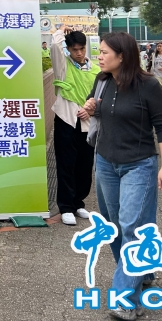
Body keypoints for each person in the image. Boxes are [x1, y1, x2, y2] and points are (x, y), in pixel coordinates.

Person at [82, 32, 162, 321]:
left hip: (139, 165)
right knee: (113, 226)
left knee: (132, 226)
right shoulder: (102, 80)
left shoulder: (148, 85)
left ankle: (126, 300)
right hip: (105, 162)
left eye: (104, 52)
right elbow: (95, 107)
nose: (99, 56)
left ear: (122, 56)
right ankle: (141, 271)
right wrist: (89, 107)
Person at [50, 25, 99, 226]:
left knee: (85, 165)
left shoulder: (96, 70)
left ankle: (78, 203)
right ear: (68, 50)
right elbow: (55, 46)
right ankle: (66, 207)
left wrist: (91, 111)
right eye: (74, 49)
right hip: (66, 121)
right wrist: (61, 30)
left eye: (81, 49)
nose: (79, 53)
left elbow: (102, 97)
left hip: (88, 123)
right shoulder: (63, 66)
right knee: (66, 164)